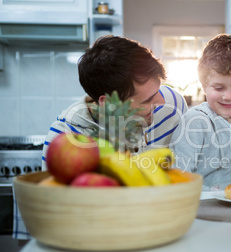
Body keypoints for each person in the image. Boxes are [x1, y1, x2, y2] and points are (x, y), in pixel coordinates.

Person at [40, 35, 188, 169]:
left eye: (158, 90)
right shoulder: (63, 138)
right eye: (147, 100)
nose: (161, 103)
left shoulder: (174, 102)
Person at [169, 34, 231, 190]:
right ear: (204, 86)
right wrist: (219, 193)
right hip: (206, 208)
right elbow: (179, 176)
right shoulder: (195, 122)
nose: (228, 96)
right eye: (218, 88)